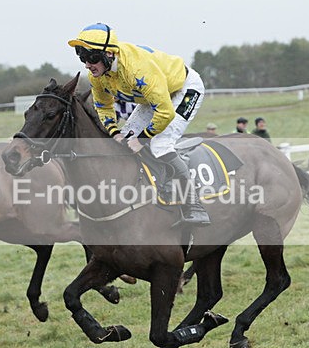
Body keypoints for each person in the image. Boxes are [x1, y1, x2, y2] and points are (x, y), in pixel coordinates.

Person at [68, 22, 209, 225]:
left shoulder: (137, 70)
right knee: (125, 140)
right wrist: (115, 132)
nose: (87, 64)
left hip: (184, 90)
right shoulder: (97, 75)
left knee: (160, 144)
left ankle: (194, 205)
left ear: (109, 54)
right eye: (82, 57)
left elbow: (165, 112)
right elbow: (104, 106)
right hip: (154, 96)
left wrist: (142, 139)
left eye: (91, 58)